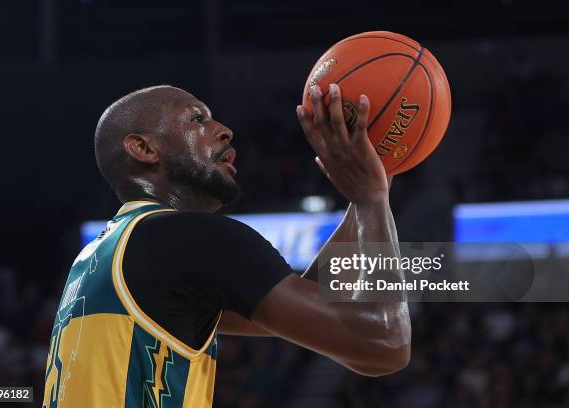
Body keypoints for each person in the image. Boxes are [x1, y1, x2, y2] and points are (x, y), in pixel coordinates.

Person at [42, 84, 411, 407]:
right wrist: (371, 200)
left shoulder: (102, 254)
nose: (224, 130)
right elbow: (384, 345)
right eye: (196, 119)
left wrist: (374, 181)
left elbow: (311, 299)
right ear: (143, 148)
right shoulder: (186, 238)